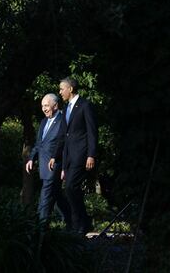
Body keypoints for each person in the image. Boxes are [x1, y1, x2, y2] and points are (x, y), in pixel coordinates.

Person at [49, 77, 98, 235]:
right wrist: (55, 157)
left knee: (70, 187)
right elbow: (63, 136)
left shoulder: (85, 105)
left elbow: (92, 132)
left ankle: (79, 224)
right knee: (70, 189)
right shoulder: (66, 109)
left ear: (70, 89)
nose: (60, 92)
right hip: (68, 157)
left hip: (81, 154)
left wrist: (91, 155)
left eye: (62, 88)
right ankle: (83, 221)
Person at [26, 93, 72, 229]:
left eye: (46, 105)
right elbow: (39, 143)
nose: (44, 109)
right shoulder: (44, 121)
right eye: (42, 106)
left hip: (55, 164)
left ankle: (40, 228)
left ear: (55, 105)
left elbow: (64, 144)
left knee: (45, 196)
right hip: (43, 164)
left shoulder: (64, 120)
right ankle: (74, 220)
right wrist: (31, 159)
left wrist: (62, 164)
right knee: (57, 195)